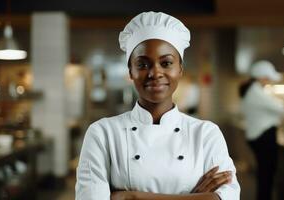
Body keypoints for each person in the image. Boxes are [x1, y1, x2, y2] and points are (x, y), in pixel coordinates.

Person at [75, 12, 240, 200]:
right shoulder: (102, 133)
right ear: (130, 71)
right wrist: (196, 197)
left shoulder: (206, 134)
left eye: (166, 63)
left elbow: (229, 197)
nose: (155, 72)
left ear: (180, 69)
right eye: (143, 64)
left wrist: (133, 197)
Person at [239, 60, 284, 200]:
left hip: (259, 136)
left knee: (265, 173)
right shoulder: (256, 91)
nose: (269, 81)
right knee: (266, 174)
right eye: (267, 77)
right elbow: (280, 108)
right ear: (261, 76)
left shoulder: (254, 90)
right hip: (263, 137)